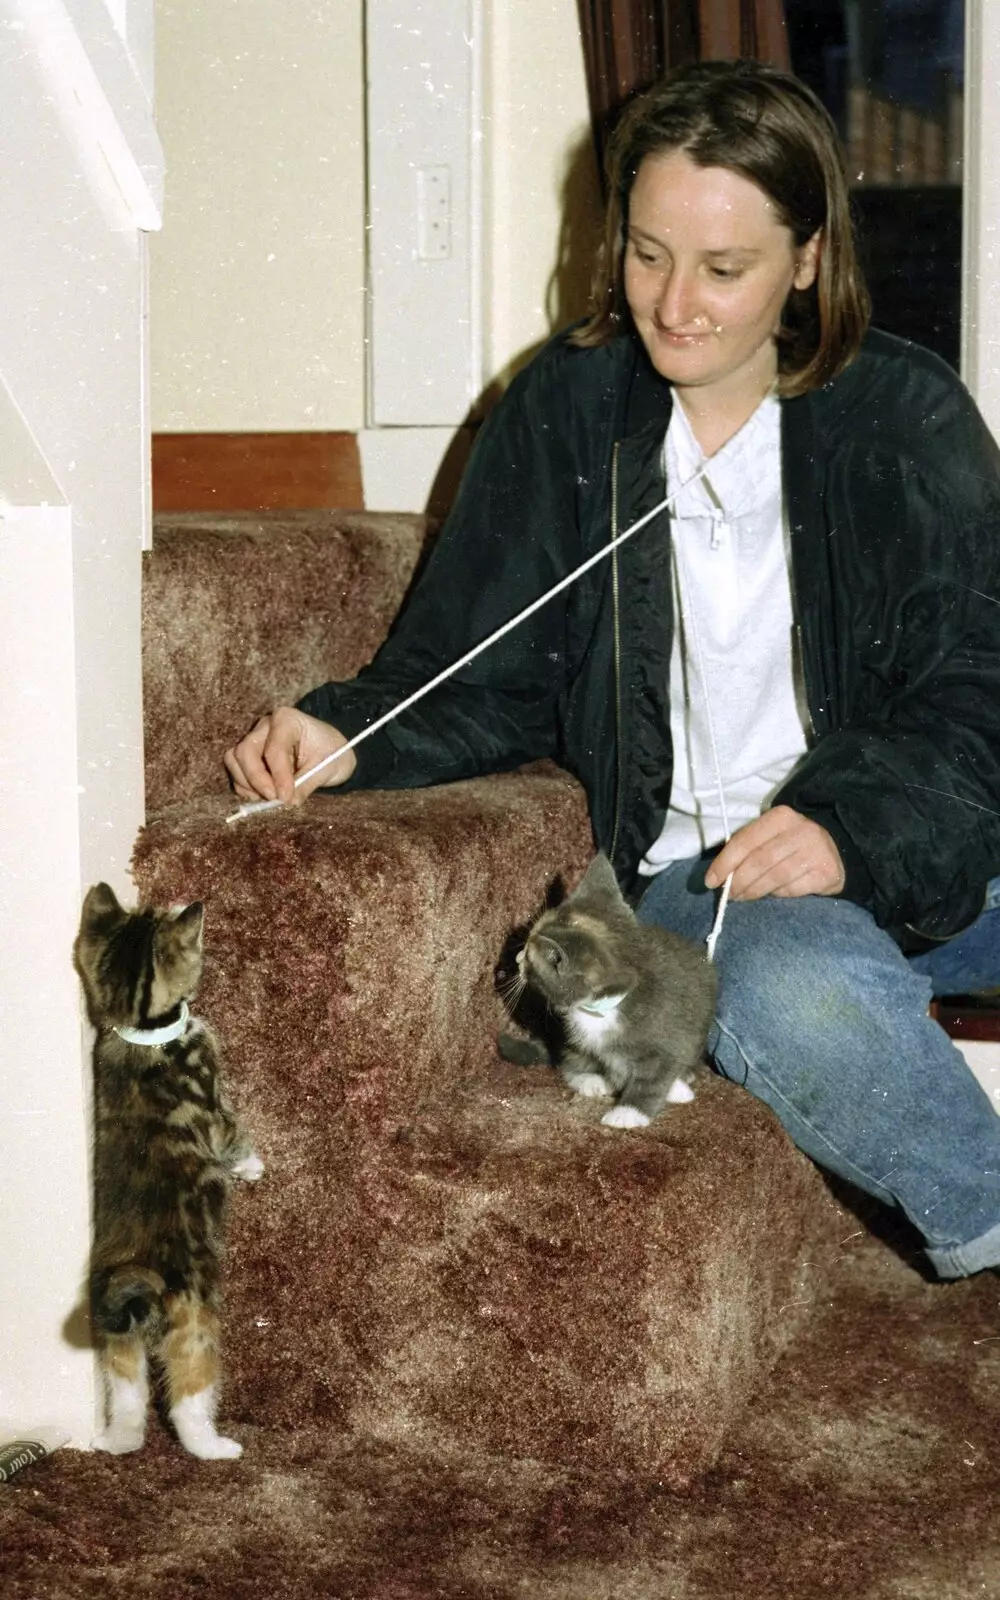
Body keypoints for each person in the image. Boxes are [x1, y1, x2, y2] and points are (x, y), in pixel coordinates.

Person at [226, 59, 1000, 1280]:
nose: (674, 304)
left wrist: (847, 829)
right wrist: (349, 732)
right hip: (711, 880)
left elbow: (976, 691)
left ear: (806, 260)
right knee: (797, 995)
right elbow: (473, 666)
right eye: (646, 255)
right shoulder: (567, 411)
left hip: (923, 836)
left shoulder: (903, 418)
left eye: (723, 268)